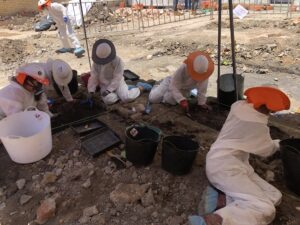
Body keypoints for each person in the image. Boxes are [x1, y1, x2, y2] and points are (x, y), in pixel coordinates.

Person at [189, 86, 291, 225]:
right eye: (271, 110)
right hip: (225, 168)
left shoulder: (239, 106)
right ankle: (216, 220)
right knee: (266, 209)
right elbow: (266, 150)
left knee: (275, 197)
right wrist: (281, 144)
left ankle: (222, 199)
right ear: (266, 106)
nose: (271, 113)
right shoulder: (256, 123)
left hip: (232, 162)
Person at [87, 39, 152, 105]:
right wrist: (91, 91)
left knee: (126, 98)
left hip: (118, 83)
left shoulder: (117, 61)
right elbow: (93, 77)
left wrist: (109, 90)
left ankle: (140, 88)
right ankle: (123, 92)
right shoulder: (96, 63)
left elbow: (117, 77)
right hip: (105, 85)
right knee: (108, 100)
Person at [149, 51, 214, 111]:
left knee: (168, 100)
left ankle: (166, 97)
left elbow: (202, 89)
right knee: (153, 99)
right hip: (171, 82)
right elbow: (174, 85)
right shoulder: (184, 67)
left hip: (185, 90)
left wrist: (201, 103)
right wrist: (181, 100)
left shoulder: (205, 72)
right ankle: (157, 84)